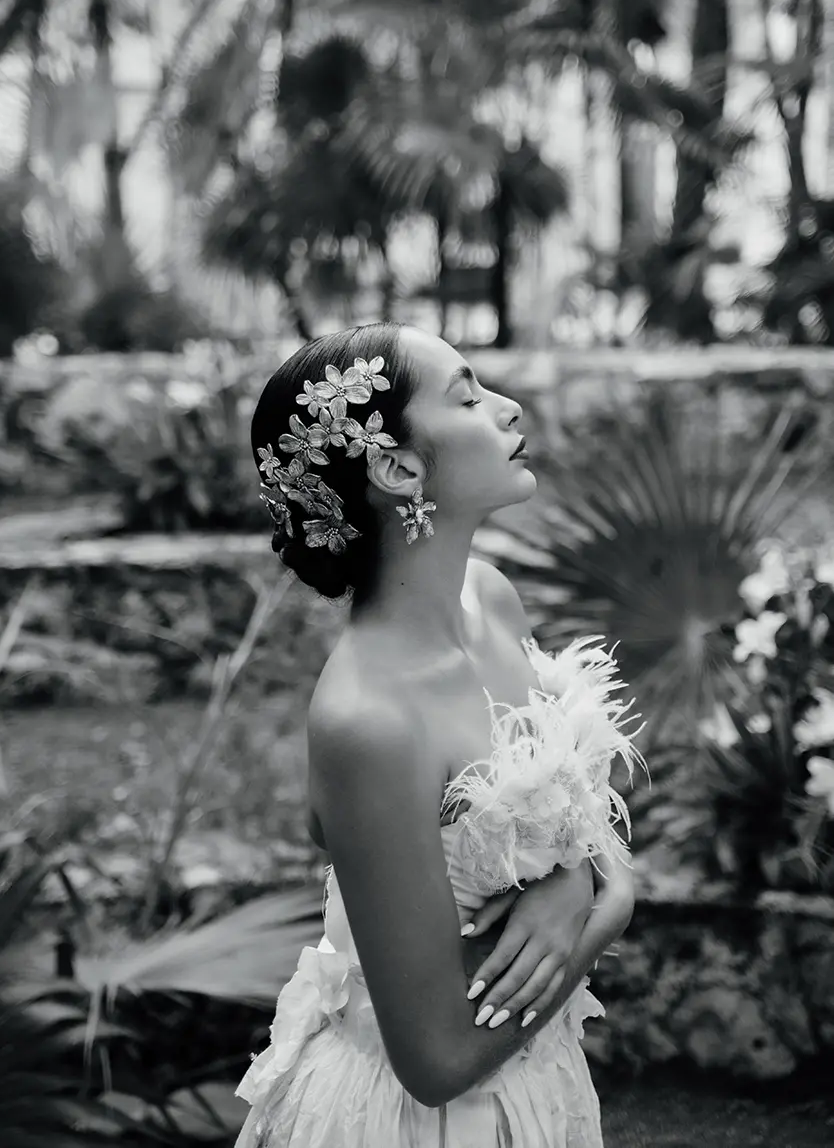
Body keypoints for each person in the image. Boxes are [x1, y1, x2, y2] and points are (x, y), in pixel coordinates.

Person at [235, 322, 644, 1147]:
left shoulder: (491, 598)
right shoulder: (369, 721)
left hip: (539, 1085)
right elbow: (436, 1057)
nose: (507, 406)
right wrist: (607, 904)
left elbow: (575, 816)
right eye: (467, 396)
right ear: (396, 468)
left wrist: (572, 879)